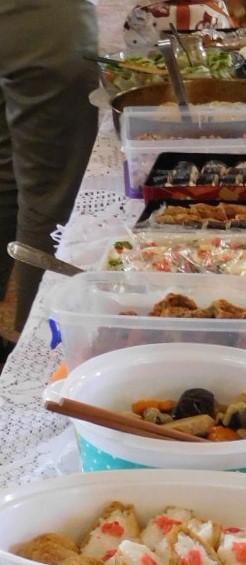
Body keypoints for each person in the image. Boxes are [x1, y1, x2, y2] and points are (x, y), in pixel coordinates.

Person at [0, 0, 100, 365]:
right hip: (36, 15)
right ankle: (42, 354)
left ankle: (26, 347)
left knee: (7, 169)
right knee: (51, 191)